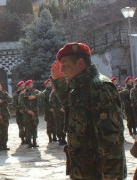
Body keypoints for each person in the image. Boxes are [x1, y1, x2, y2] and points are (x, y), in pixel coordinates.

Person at [50, 42, 126, 180]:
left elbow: (111, 140)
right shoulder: (80, 88)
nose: (62, 70)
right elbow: (69, 103)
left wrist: (111, 176)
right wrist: (57, 81)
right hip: (83, 172)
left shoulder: (100, 88)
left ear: (80, 63)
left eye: (65, 66)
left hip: (97, 173)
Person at [19, 79, 42, 148]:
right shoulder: (23, 93)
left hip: (35, 112)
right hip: (27, 114)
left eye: (31, 84)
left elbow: (42, 94)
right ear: (26, 86)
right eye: (29, 85)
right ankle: (29, 142)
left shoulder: (35, 92)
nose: (30, 86)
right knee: (28, 128)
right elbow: (21, 104)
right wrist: (27, 110)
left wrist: (35, 96)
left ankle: (34, 142)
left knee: (34, 127)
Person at [42, 78, 56, 143]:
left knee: (55, 124)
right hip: (48, 111)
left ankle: (55, 137)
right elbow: (44, 103)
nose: (49, 84)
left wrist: (55, 108)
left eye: (50, 83)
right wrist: (49, 108)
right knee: (49, 124)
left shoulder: (54, 91)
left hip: (55, 110)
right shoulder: (44, 93)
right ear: (46, 85)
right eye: (48, 84)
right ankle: (50, 137)